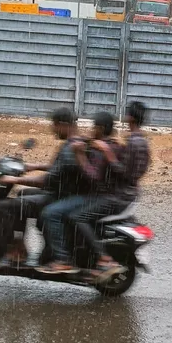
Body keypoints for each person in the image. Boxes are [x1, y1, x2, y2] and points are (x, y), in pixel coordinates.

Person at [0, 107, 84, 271]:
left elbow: (47, 180)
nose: (52, 130)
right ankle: (22, 248)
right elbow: (59, 168)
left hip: (60, 195)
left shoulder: (69, 148)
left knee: (4, 206)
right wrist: (34, 166)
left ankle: (14, 253)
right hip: (65, 192)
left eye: (53, 125)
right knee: (21, 194)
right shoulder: (75, 143)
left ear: (61, 124)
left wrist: (15, 179)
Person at [68, 101, 152, 279]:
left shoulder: (134, 143)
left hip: (119, 197)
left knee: (78, 216)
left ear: (129, 117)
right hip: (127, 193)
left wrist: (107, 152)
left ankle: (105, 259)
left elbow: (125, 173)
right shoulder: (140, 140)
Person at [38, 110, 121, 275]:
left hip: (96, 197)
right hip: (99, 195)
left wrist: (80, 154)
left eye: (94, 127)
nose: (91, 130)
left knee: (51, 212)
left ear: (101, 128)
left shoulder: (103, 148)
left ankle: (63, 260)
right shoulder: (104, 144)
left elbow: (94, 177)